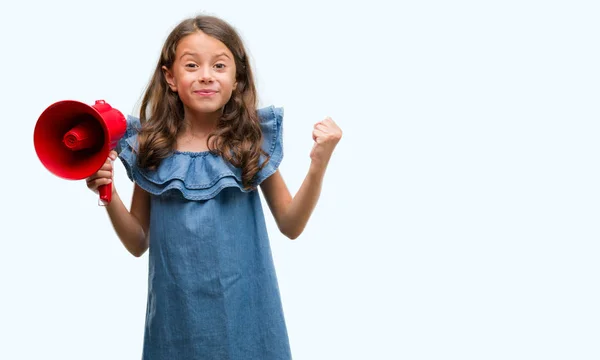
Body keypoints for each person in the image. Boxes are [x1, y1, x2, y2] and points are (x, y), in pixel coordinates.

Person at [85, 14, 342, 359]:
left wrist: (319, 162)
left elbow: (291, 224)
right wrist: (109, 192)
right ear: (170, 77)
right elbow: (137, 242)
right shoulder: (153, 148)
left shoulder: (251, 142)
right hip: (177, 326)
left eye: (219, 66)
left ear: (237, 78)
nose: (206, 75)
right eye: (192, 65)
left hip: (247, 322)